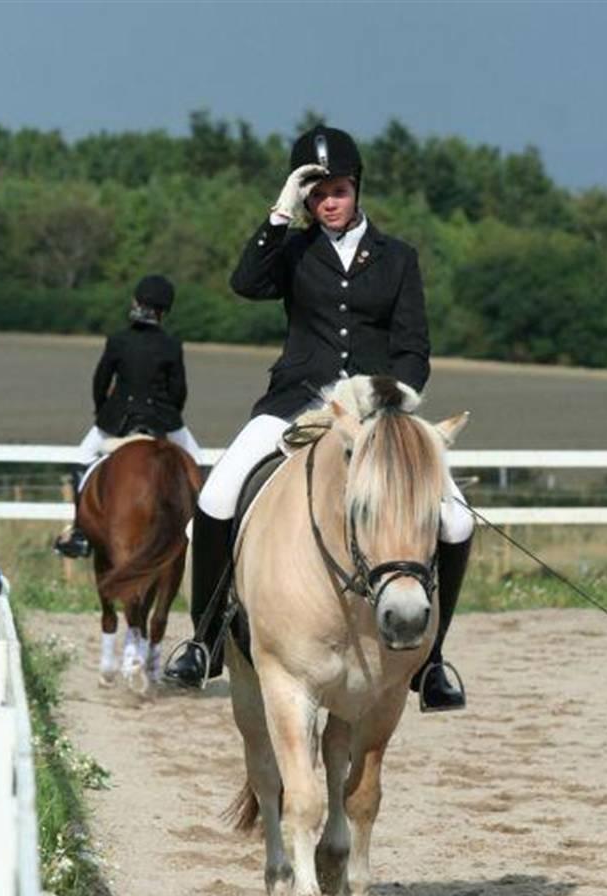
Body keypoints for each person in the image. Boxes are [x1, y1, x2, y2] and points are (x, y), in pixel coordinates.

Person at [166, 126, 474, 709]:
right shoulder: (292, 252)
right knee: (216, 497)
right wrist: (280, 213)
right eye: (316, 193)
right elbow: (245, 283)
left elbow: (414, 349)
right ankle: (204, 641)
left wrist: (390, 401)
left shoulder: (398, 258)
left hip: (377, 415)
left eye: (337, 190)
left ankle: (431, 663)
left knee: (456, 522)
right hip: (295, 403)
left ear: (357, 189)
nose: (328, 202)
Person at [54, 274, 201, 558]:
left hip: (117, 420)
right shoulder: (171, 344)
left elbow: (100, 382)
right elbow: (178, 390)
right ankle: (201, 530)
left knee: (82, 459)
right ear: (165, 311)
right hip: (162, 420)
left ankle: (80, 531)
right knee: (197, 464)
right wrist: (168, 416)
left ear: (136, 302)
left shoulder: (118, 340)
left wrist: (102, 413)